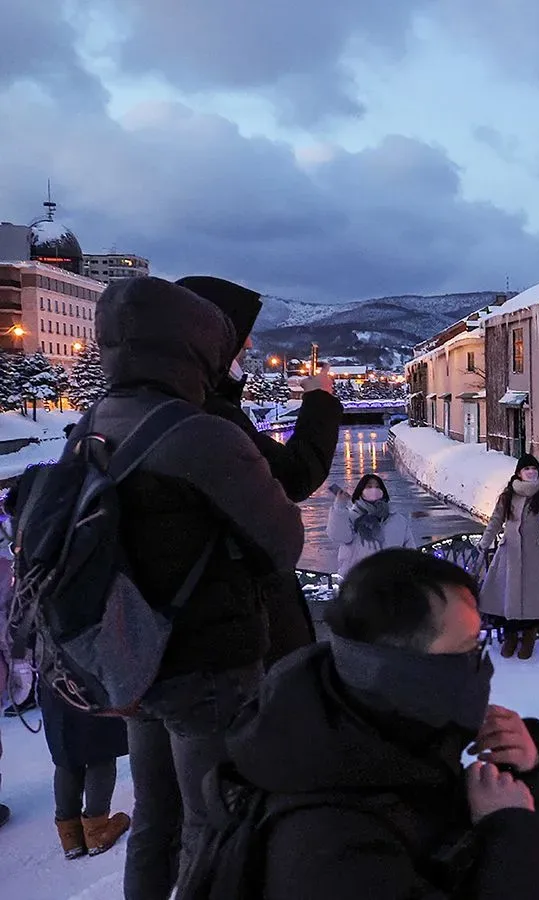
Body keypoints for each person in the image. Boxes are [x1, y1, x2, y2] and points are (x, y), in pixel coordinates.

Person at [89, 276, 307, 900]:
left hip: (131, 660)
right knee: (215, 822)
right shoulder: (201, 433)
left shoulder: (97, 421)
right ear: (193, 346)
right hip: (205, 666)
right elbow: (283, 542)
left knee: (155, 819)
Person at [214, 548, 539, 899]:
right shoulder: (333, 850)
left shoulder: (389, 739)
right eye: (469, 648)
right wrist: (514, 831)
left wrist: (523, 769)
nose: (481, 665)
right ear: (406, 672)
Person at [176, 275, 342, 665]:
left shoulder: (154, 407)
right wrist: (319, 400)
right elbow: (296, 475)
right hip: (234, 643)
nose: (249, 344)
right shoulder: (211, 417)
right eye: (241, 334)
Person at [3, 470, 132, 859]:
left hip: (51, 670)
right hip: (89, 666)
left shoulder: (27, 556)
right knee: (101, 749)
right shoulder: (81, 544)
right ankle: (96, 827)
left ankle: (69, 835)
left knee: (67, 754)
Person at [478, 455, 539, 660]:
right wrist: (485, 542)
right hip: (509, 552)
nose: (530, 472)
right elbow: (495, 520)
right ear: (518, 473)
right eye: (526, 468)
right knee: (507, 597)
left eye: (533, 468)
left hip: (534, 554)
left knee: (532, 598)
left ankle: (529, 636)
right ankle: (510, 637)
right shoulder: (508, 495)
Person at [328, 473, 416, 576]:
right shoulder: (350, 517)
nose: (373, 490)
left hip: (392, 582)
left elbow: (410, 552)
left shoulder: (397, 520)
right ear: (360, 491)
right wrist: (339, 507)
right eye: (369, 486)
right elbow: (339, 536)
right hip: (357, 582)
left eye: (377, 487)